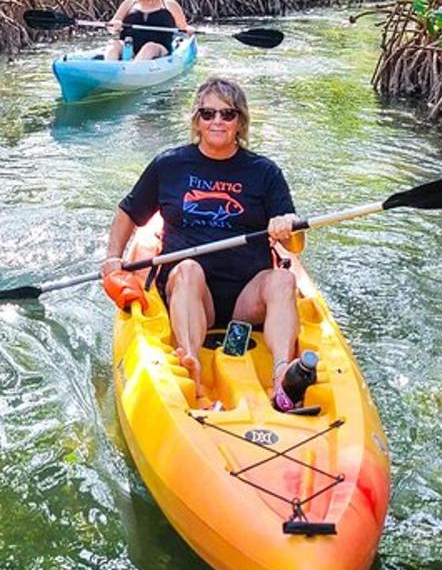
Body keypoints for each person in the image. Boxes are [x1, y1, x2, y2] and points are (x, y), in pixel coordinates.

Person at [100, 76, 305, 410]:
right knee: (188, 269)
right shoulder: (170, 164)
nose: (217, 122)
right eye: (208, 114)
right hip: (192, 293)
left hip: (246, 297)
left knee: (283, 279)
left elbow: (295, 247)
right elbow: (128, 211)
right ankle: (190, 366)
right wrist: (112, 258)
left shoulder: (264, 172)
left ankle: (283, 377)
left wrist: (289, 227)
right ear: (196, 120)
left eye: (227, 114)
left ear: (241, 121)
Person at [103, 0, 192, 61]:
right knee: (113, 44)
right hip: (129, 46)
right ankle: (108, 69)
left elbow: (183, 27)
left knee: (149, 47)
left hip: (158, 48)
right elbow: (114, 23)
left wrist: (188, 30)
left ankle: (134, 70)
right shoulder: (129, 2)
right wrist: (115, 25)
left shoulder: (169, 5)